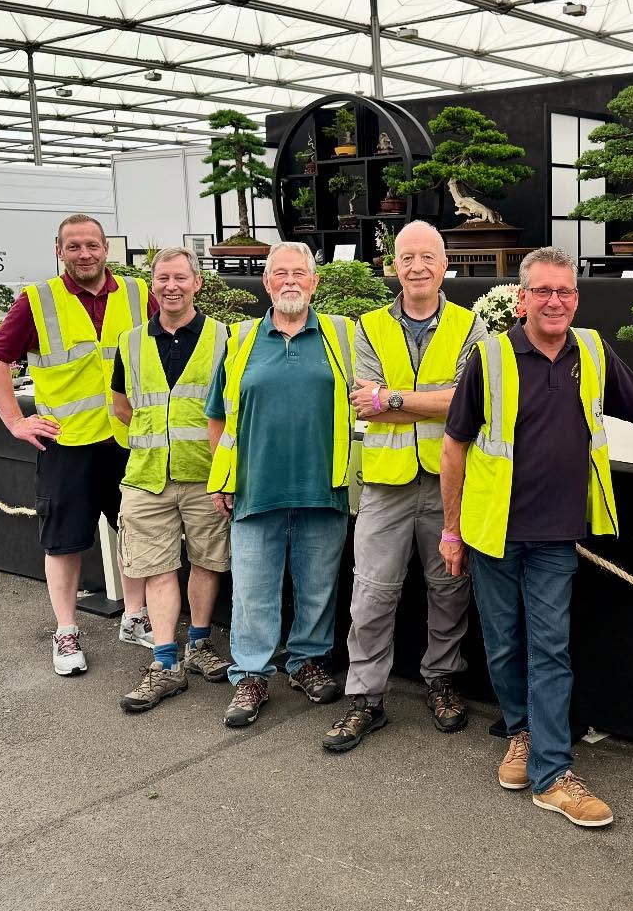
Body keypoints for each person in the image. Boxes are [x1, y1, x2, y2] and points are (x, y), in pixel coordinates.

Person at [441, 246, 633, 828]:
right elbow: (455, 446)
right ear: (521, 299)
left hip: (555, 534)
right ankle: (521, 732)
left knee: (549, 646)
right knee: (503, 643)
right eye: (544, 291)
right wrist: (451, 531)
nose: (555, 301)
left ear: (577, 297)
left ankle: (552, 772)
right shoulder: (492, 356)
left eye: (566, 292)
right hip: (492, 532)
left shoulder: (592, 352)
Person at [322, 222, 485, 753]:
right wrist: (430, 397)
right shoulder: (368, 327)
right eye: (407, 257)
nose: (417, 267)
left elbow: (470, 401)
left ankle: (441, 680)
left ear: (444, 265)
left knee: (449, 588)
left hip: (448, 482)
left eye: (427, 257)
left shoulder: (471, 326)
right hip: (385, 486)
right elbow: (360, 397)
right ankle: (365, 697)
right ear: (393, 264)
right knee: (371, 593)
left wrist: (393, 399)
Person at [0, 214, 155, 676]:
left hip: (127, 438)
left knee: (136, 532)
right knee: (63, 542)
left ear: (106, 249)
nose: (85, 254)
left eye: (92, 245)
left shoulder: (138, 295)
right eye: (74, 246)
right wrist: (16, 422)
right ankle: (66, 631)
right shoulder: (37, 301)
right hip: (66, 443)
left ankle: (135, 617)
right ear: (59, 250)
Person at [205, 241, 356, 728]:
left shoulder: (342, 335)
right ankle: (250, 674)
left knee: (318, 586)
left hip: (322, 485)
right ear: (266, 283)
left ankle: (307, 661)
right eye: (280, 274)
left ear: (314, 282)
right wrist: (223, 476)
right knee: (253, 590)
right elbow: (217, 418)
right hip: (255, 487)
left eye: (300, 273)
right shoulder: (241, 338)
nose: (290, 281)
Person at [110, 248, 234, 712]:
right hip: (147, 477)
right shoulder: (132, 341)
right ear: (153, 284)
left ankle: (198, 644)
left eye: (181, 277)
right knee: (158, 568)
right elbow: (123, 405)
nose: (171, 286)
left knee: (207, 561)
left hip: (206, 475)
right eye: (163, 278)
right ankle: (165, 663)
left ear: (197, 283)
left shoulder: (224, 338)